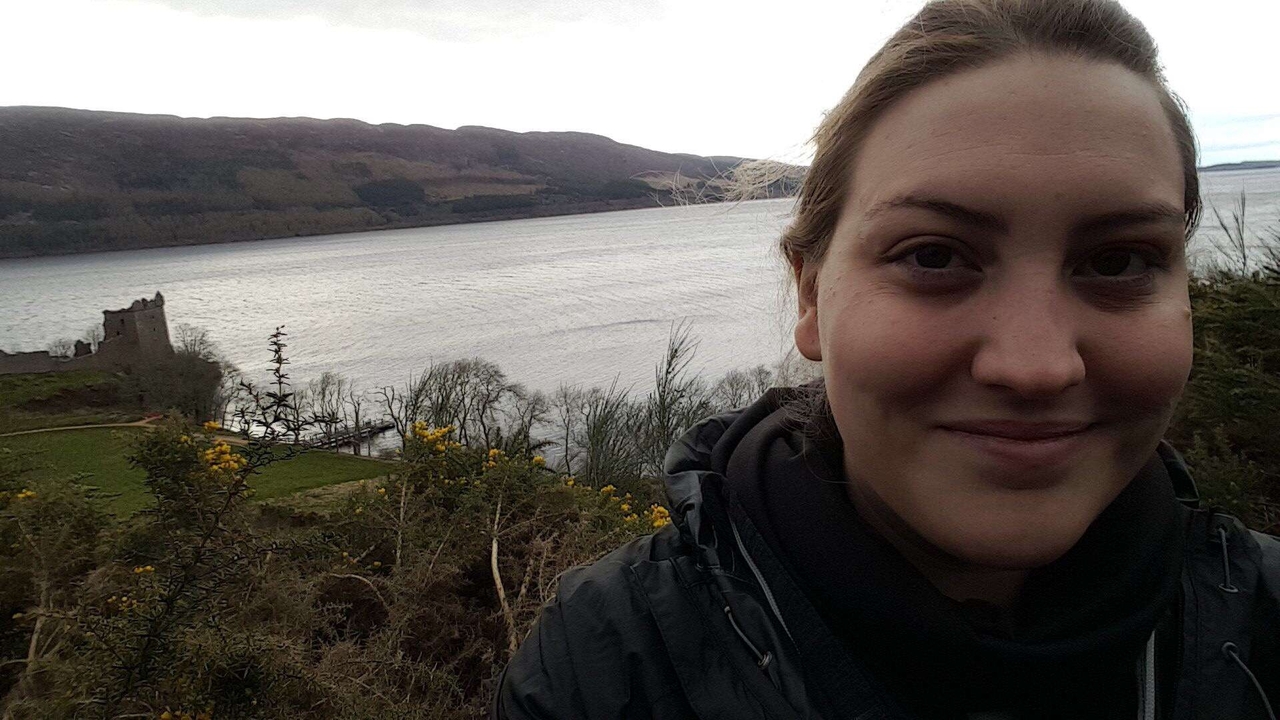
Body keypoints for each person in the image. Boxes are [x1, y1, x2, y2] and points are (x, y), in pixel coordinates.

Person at [492, 0, 1280, 717]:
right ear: (811, 297)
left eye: (1117, 263)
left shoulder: (1263, 620)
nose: (1036, 367)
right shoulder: (613, 666)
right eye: (934, 256)